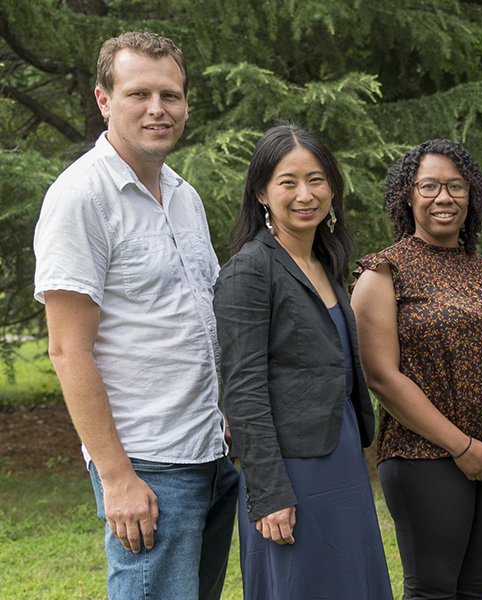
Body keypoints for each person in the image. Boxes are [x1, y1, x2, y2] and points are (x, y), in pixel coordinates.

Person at [33, 31, 239, 600]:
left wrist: (217, 413)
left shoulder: (183, 195)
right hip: (146, 465)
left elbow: (194, 319)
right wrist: (117, 476)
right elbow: (67, 350)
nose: (158, 109)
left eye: (170, 95)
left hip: (209, 450)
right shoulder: (82, 197)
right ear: (104, 100)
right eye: (138, 94)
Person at [352, 139, 482, 600]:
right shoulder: (384, 272)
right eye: (429, 186)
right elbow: (381, 376)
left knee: (478, 588)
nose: (444, 197)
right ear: (408, 195)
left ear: (470, 195)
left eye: (456, 186)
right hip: (423, 455)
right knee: (433, 589)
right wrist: (460, 446)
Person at [215, 124, 392, 599]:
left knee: (351, 581)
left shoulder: (324, 263)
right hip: (290, 471)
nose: (305, 194)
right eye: (287, 182)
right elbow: (243, 391)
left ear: (332, 187)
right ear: (261, 194)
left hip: (341, 458)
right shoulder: (248, 271)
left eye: (316, 179)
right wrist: (270, 494)